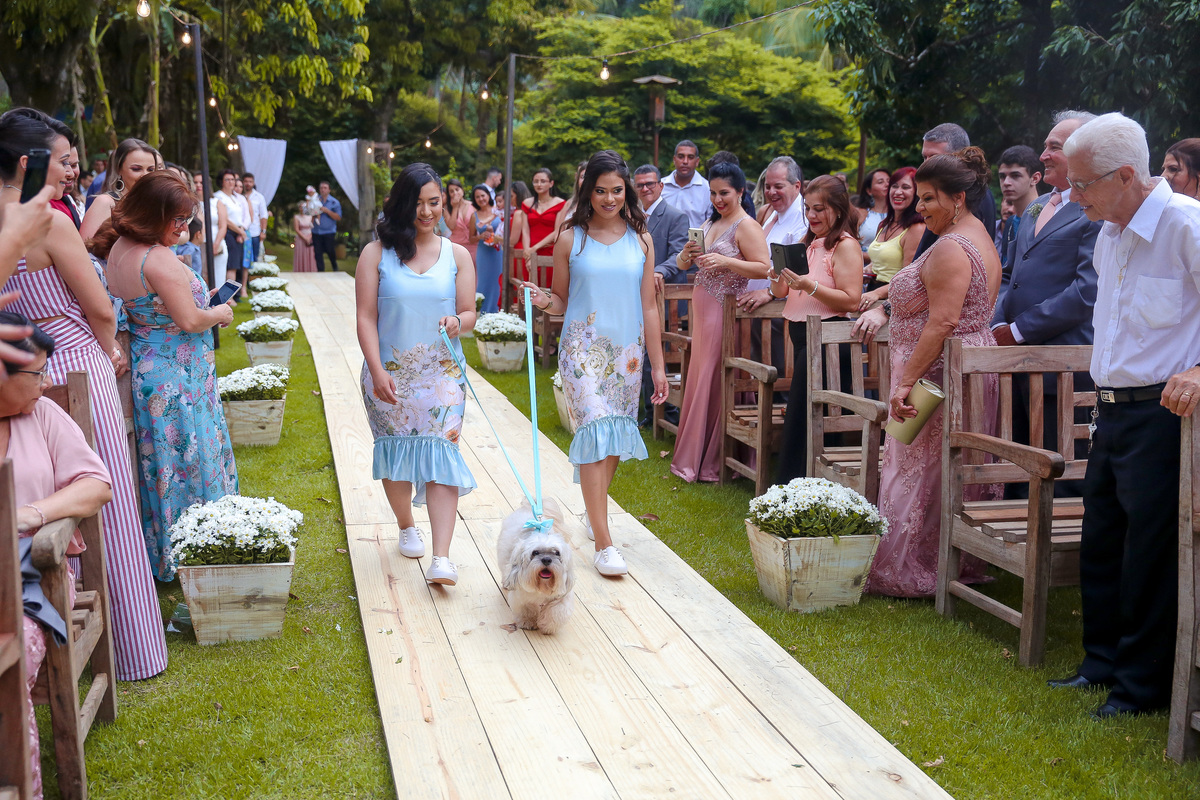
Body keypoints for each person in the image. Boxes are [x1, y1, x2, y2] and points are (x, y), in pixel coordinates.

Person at [1, 111, 167, 681]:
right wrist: (110, 350)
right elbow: (97, 306)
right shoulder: (47, 221)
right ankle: (130, 654)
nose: (69, 172)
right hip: (70, 362)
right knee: (105, 509)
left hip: (11, 375)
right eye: (60, 161)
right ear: (28, 165)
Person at [1045, 112, 1200, 718]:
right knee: (1103, 541)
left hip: (1163, 416)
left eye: (1082, 184)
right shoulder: (1110, 230)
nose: (1072, 194)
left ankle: (1142, 686)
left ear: (1127, 175)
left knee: (1149, 552)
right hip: (1109, 412)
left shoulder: (1186, 225)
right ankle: (1101, 664)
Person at [854, 146, 1003, 599]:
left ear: (957, 198)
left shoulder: (953, 249)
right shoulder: (977, 236)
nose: (919, 208)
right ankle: (948, 561)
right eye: (918, 198)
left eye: (928, 199)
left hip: (935, 376)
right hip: (961, 366)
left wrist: (903, 383)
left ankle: (907, 569)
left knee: (914, 466)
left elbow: (941, 322)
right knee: (939, 468)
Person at [522, 150, 667, 576]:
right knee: (595, 432)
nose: (608, 198)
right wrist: (542, 299)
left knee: (615, 436)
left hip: (627, 353)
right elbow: (561, 302)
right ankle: (605, 544)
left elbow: (650, 307)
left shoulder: (641, 239)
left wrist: (657, 365)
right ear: (588, 191)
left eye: (616, 191)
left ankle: (593, 512)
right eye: (600, 191)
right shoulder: (572, 237)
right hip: (582, 352)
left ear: (627, 192)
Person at [90, 171, 238, 581]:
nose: (184, 228)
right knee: (190, 459)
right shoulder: (157, 258)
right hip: (179, 379)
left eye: (187, 219)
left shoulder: (120, 247)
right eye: (176, 219)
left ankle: (166, 552)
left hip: (149, 374)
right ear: (152, 215)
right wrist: (219, 312)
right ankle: (200, 546)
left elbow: (159, 310)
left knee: (163, 467)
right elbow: (190, 320)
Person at [0, 313, 114, 800]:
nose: (45, 383)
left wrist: (31, 514)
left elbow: (95, 486)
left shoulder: (44, 415)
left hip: (31, 578)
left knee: (7, 660)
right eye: (37, 373)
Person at [356, 163, 477, 586]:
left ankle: (442, 557)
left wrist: (457, 323)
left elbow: (469, 312)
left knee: (443, 455)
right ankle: (407, 524)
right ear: (401, 204)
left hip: (443, 376)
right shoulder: (376, 254)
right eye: (418, 203)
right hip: (388, 372)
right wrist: (375, 371)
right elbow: (366, 318)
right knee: (396, 453)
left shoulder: (456, 255)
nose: (426, 212)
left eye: (434, 202)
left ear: (443, 202)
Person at [990, 111, 1101, 466]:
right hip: (1015, 363)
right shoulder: (1038, 205)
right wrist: (997, 324)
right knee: (1016, 461)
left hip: (1062, 367)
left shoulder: (1095, 212)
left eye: (1054, 147)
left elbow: (1086, 291)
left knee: (1059, 466)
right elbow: (1009, 274)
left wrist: (1018, 331)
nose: (1043, 156)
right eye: (1045, 146)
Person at [669, 161, 770, 483]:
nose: (718, 199)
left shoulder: (746, 225)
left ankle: (711, 458)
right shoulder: (711, 220)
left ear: (740, 191)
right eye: (713, 193)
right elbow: (689, 263)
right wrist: (687, 254)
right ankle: (697, 454)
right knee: (701, 377)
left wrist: (727, 260)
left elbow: (764, 267)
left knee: (713, 377)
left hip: (724, 310)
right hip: (703, 307)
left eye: (724, 193)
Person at [770, 176, 864, 484]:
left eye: (819, 209)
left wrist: (811, 286)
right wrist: (776, 274)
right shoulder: (808, 242)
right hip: (802, 339)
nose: (811, 216)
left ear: (837, 209)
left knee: (809, 418)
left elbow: (851, 299)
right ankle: (794, 487)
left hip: (828, 344)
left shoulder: (846, 246)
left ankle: (806, 488)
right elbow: (783, 292)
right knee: (798, 417)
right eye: (808, 208)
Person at [633, 164, 688, 425]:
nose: (645, 189)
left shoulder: (675, 216)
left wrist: (657, 272)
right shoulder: (630, 216)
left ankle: (663, 413)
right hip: (631, 296)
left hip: (662, 297)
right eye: (640, 184)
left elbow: (679, 254)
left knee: (654, 356)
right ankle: (642, 410)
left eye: (650, 184)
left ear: (661, 186)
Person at [912, 123, 996, 260]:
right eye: (924, 157)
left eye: (933, 157)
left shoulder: (972, 195)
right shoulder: (959, 193)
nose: (925, 164)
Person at [859, 166, 925, 304]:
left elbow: (908, 279)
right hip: (872, 292)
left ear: (917, 193)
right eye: (894, 186)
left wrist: (877, 293)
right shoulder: (884, 224)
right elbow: (882, 262)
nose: (898, 192)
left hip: (894, 299)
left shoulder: (916, 228)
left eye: (906, 187)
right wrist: (869, 271)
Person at [80, 138, 158, 241]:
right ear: (118, 169)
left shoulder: (154, 204)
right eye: (136, 169)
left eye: (151, 170)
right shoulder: (106, 203)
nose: (145, 175)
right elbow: (85, 249)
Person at [994, 145, 1044, 272]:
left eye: (1015, 175)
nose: (1006, 182)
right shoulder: (1010, 222)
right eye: (1002, 176)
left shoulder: (1048, 216)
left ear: (1035, 178)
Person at [521, 168, 566, 285]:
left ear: (551, 183)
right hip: (529, 251)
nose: (539, 184)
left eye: (543, 181)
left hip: (550, 250)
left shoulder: (560, 203)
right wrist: (528, 253)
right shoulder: (527, 203)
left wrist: (534, 249)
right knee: (529, 289)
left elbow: (557, 230)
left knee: (548, 289)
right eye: (536, 181)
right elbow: (525, 231)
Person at [469, 184, 503, 313]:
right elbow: (471, 238)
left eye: (483, 195)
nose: (481, 199)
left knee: (497, 282)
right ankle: (483, 314)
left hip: (498, 252)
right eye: (477, 197)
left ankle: (498, 312)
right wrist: (480, 236)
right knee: (483, 282)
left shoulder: (498, 210)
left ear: (488, 196)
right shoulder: (474, 216)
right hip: (483, 252)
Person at [661, 140, 711, 228]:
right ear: (674, 159)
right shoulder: (661, 186)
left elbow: (710, 224)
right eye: (681, 156)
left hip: (695, 241)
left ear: (697, 161)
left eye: (690, 157)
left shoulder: (707, 189)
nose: (685, 161)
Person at [213, 170, 248, 293]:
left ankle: (235, 294)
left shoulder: (235, 198)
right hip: (227, 232)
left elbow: (241, 216)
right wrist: (239, 231)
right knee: (231, 265)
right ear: (221, 182)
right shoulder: (219, 197)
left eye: (232, 179)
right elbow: (225, 219)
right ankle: (228, 295)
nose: (231, 182)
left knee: (237, 264)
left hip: (238, 232)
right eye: (227, 179)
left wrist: (241, 231)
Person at [854, 168, 891, 254]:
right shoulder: (860, 214)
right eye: (880, 182)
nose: (887, 184)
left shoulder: (900, 214)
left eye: (889, 181)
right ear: (869, 191)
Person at [312, 180, 342, 272]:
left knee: (330, 250)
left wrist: (327, 211)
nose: (323, 190)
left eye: (325, 188)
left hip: (329, 231)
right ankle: (320, 272)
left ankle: (334, 267)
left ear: (329, 190)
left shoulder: (334, 202)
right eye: (321, 188)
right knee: (317, 253)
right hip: (316, 231)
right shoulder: (315, 200)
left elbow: (338, 217)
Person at [443, 178, 475, 265]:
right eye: (451, 191)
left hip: (473, 245)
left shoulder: (472, 205)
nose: (455, 193)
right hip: (457, 246)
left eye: (457, 189)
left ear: (462, 190)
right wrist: (455, 207)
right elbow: (451, 226)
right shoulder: (446, 209)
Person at [242, 172, 270, 261]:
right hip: (240, 231)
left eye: (250, 181)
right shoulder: (238, 196)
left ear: (253, 183)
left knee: (254, 257)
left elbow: (263, 215)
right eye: (246, 181)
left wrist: (263, 231)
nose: (248, 184)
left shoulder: (259, 197)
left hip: (254, 231)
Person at [293, 200, 316, 272]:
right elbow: (297, 229)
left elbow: (314, 228)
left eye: (304, 207)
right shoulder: (296, 217)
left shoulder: (310, 216)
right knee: (301, 255)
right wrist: (304, 238)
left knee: (311, 255)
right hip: (301, 239)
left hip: (310, 238)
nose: (302, 209)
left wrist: (309, 237)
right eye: (300, 207)